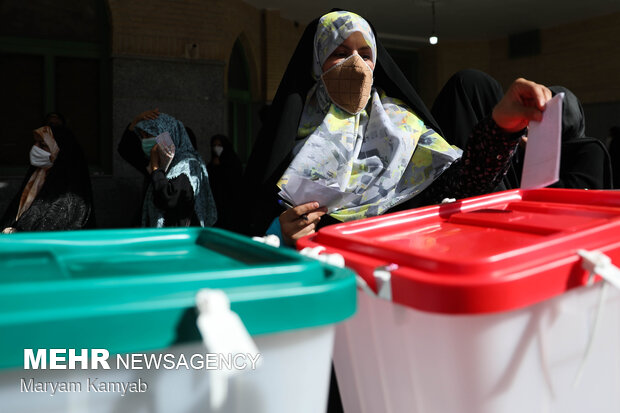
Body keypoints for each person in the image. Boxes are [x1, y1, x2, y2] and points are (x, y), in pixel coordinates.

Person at [242, 10, 552, 247]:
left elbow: (464, 185)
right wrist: (280, 232)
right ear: (316, 61)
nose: (355, 64)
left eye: (365, 54)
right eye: (339, 52)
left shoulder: (402, 125)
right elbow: (247, 227)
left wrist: (501, 128)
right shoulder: (292, 136)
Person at [118, 109, 216, 227]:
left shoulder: (187, 164)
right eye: (143, 136)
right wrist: (135, 122)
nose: (145, 140)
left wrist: (156, 170)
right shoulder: (161, 160)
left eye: (149, 134)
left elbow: (170, 199)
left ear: (166, 135)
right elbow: (126, 150)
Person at [1, 124, 95, 233]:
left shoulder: (70, 190)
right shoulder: (37, 175)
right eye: (35, 143)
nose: (35, 148)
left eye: (42, 145)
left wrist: (19, 233)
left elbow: (56, 224)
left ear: (59, 150)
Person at [207, 134, 244, 231]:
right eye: (214, 145)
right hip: (215, 206)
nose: (216, 148)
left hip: (231, 207)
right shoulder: (211, 165)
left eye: (219, 145)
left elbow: (235, 184)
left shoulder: (233, 163)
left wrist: (221, 167)